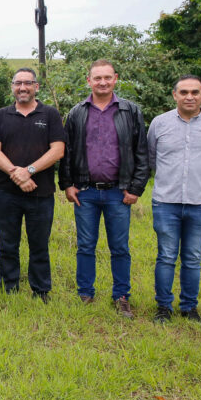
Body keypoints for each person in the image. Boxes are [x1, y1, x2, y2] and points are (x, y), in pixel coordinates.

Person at [59, 59, 149, 318]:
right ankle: (85, 294)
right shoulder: (77, 112)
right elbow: (67, 152)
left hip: (118, 193)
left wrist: (135, 188)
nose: (102, 82)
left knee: (119, 247)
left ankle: (121, 296)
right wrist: (67, 185)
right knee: (85, 245)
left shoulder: (130, 111)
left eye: (107, 77)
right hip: (85, 192)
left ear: (115, 78)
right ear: (88, 80)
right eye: (97, 78)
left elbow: (141, 152)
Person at [148, 75, 201, 323]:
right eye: (183, 92)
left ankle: (189, 308)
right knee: (166, 256)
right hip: (166, 202)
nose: (189, 96)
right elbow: (152, 157)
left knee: (193, 258)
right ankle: (164, 307)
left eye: (195, 92)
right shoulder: (160, 123)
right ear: (174, 95)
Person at [0, 68, 65, 302]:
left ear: (36, 87)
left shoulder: (50, 114)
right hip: (5, 192)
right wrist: (16, 173)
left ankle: (41, 291)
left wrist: (29, 171)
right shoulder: (1, 115)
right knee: (8, 243)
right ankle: (8, 289)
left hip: (41, 192)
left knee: (39, 244)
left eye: (28, 83)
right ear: (12, 87)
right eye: (18, 83)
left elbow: (58, 150)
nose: (22, 87)